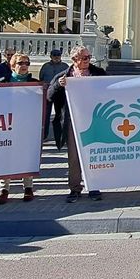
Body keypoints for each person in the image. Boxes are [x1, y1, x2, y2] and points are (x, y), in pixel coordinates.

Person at [52, 46, 106, 202]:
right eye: (84, 58)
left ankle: (94, 186)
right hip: (72, 121)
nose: (87, 60)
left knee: (94, 155)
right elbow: (50, 96)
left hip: (93, 120)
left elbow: (110, 90)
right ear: (74, 60)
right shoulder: (64, 76)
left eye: (89, 57)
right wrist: (58, 86)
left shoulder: (99, 73)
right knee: (74, 158)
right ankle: (75, 188)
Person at [0, 53, 36, 204]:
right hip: (6, 125)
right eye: (20, 63)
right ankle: (4, 189)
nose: (24, 65)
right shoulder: (2, 82)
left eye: (27, 62)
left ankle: (28, 187)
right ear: (13, 65)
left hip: (27, 124)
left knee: (26, 156)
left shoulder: (34, 83)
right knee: (5, 157)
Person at [39, 48, 69, 148]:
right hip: (48, 93)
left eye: (58, 55)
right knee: (46, 114)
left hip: (60, 93)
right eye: (54, 55)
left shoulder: (65, 66)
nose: (56, 57)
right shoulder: (45, 66)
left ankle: (60, 137)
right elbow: (41, 78)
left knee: (60, 115)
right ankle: (44, 134)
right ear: (51, 56)